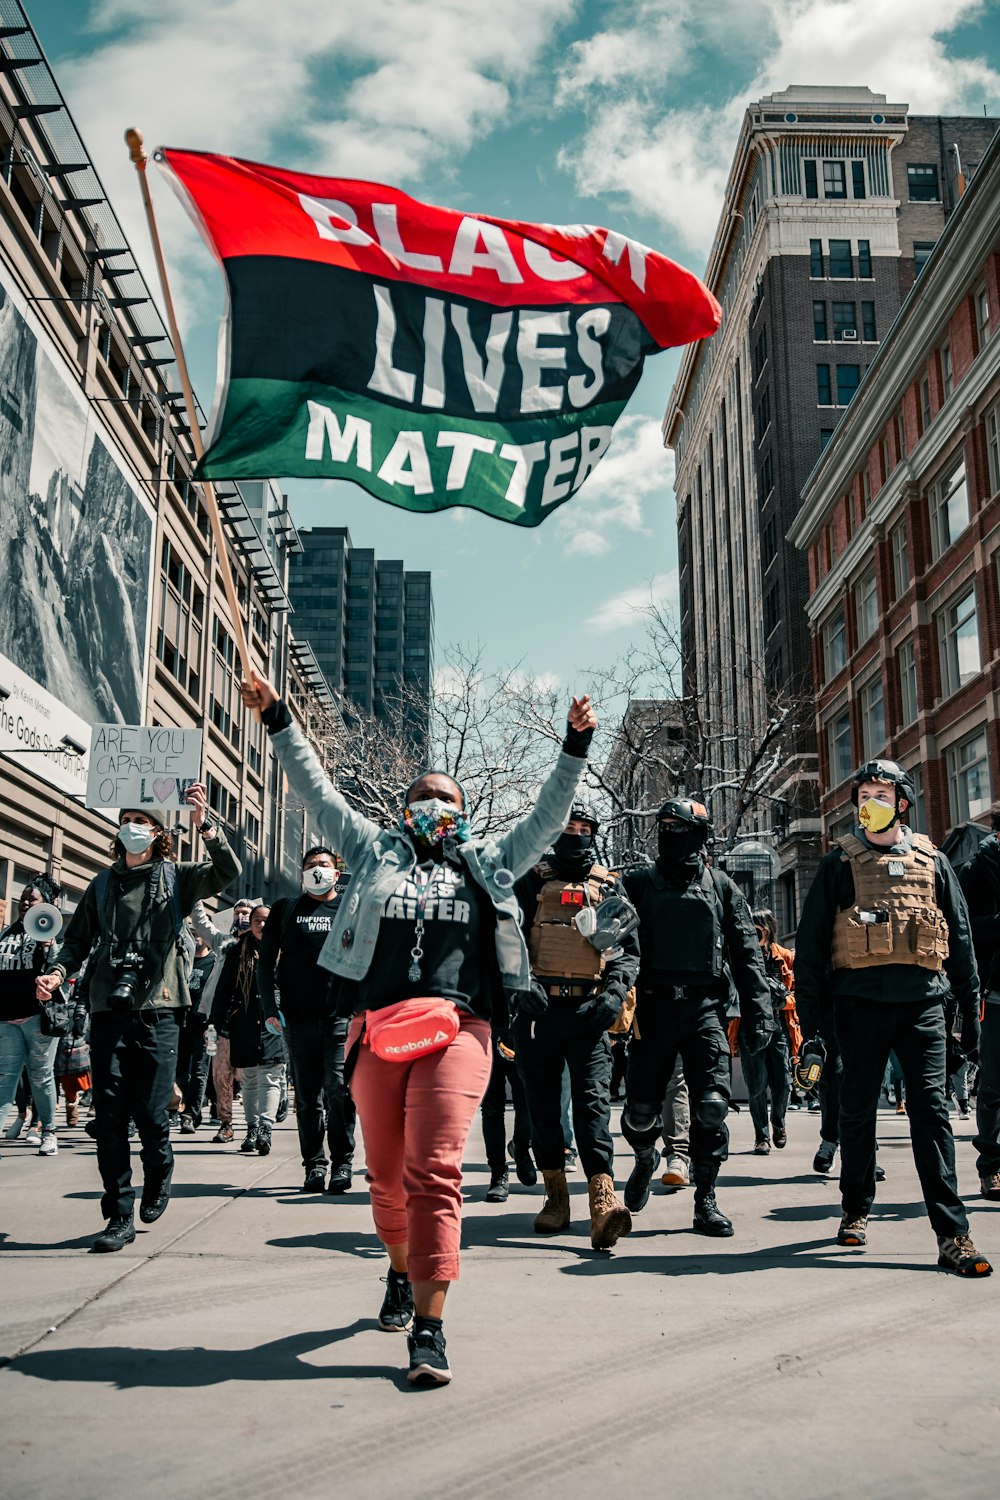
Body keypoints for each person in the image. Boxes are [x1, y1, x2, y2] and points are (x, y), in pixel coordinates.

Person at [240, 669, 596, 1387]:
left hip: (459, 1029)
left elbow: (549, 816)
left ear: (463, 812)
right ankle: (399, 1273)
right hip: (376, 1028)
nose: (434, 804)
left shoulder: (490, 862)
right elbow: (317, 790)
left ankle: (430, 1330)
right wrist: (277, 716)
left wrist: (574, 745)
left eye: (447, 798)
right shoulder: (372, 851)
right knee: (387, 1178)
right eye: (423, 796)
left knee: (435, 1170)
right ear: (404, 810)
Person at [795, 759, 991, 1276]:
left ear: (902, 802)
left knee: (932, 1113)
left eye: (879, 794)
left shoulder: (932, 861)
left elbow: (963, 940)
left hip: (923, 1005)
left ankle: (953, 1233)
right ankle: (856, 1208)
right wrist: (811, 1031)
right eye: (862, 796)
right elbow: (812, 952)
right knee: (857, 1111)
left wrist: (971, 1015)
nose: (869, 804)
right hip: (857, 1008)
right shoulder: (839, 864)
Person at [37, 793, 241, 1252]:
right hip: (109, 1008)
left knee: (151, 1113)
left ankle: (160, 1169)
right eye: (125, 820)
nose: (131, 826)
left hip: (161, 1008)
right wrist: (56, 972)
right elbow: (76, 941)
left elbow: (228, 872)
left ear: (158, 834)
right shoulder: (103, 884)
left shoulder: (177, 877)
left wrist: (205, 826)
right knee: (109, 1116)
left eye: (141, 821)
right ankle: (119, 1212)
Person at [620, 798, 773, 1236]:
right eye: (662, 825)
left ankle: (706, 1198)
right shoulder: (637, 886)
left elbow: (747, 955)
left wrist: (759, 1013)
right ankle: (646, 1156)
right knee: (640, 1112)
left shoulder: (722, 887)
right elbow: (613, 949)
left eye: (678, 826)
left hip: (705, 1008)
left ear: (699, 834)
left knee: (711, 1107)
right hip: (653, 1009)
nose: (669, 833)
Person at [514, 804, 639, 1248]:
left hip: (589, 1012)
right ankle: (555, 1197)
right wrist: (521, 985)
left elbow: (628, 949)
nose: (577, 836)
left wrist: (613, 993)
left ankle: (603, 1201)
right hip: (539, 1014)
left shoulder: (608, 885)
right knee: (544, 1109)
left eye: (585, 830)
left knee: (592, 1109)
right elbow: (508, 939)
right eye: (569, 829)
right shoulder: (531, 879)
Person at [258, 848, 356, 1193]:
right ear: (302, 873)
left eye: (324, 865)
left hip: (339, 1018)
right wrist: (271, 1007)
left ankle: (342, 1163)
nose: (318, 870)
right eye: (311, 866)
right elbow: (265, 963)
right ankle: (314, 1166)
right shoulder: (285, 910)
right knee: (307, 1098)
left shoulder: (348, 909)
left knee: (338, 1091)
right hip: (297, 1020)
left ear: (336, 871)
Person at [210, 905, 282, 1153]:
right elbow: (224, 990)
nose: (262, 925)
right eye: (257, 921)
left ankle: (265, 1127)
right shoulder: (236, 952)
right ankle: (251, 1128)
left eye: (266, 921)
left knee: (271, 1076)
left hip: (275, 1022)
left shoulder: (284, 949)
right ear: (250, 923)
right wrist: (216, 1022)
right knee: (249, 1078)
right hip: (245, 1021)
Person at [0, 875, 63, 1156]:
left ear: (45, 905)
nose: (25, 903)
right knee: (5, 1077)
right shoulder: (6, 933)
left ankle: (48, 1130)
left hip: (37, 1017)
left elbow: (62, 970)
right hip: (6, 1017)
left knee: (41, 1077)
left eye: (32, 899)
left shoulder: (48, 934)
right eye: (23, 898)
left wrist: (51, 947)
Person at [957, 811, 1000, 1201]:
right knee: (994, 1086)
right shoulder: (977, 868)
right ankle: (992, 1167)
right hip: (995, 993)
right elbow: (963, 929)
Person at [191, 899, 256, 1143]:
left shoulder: (265, 946)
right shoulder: (223, 944)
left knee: (248, 1076)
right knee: (221, 1075)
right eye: (238, 913)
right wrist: (195, 892)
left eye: (247, 914)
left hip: (251, 1021)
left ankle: (255, 1126)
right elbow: (200, 922)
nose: (242, 918)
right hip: (222, 1020)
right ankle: (226, 1124)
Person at [736, 908, 794, 1155]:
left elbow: (797, 995)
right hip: (749, 1027)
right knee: (756, 1085)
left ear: (769, 928)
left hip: (778, 1025)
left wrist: (784, 1002)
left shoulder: (785, 957)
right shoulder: (742, 956)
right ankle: (761, 1137)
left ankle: (778, 1122)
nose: (755, 932)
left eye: (759, 927)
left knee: (783, 1082)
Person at [479, 1034, 535, 1202]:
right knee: (491, 1110)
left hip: (521, 1036)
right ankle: (498, 1172)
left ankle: (521, 1147)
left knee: (528, 1104)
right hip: (486, 1038)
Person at [176, 929, 217, 1134]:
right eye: (193, 933)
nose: (197, 936)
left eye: (200, 933)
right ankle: (185, 1106)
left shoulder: (215, 962)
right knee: (179, 1072)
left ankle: (190, 1114)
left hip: (204, 1025)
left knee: (199, 1071)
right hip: (181, 1022)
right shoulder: (184, 959)